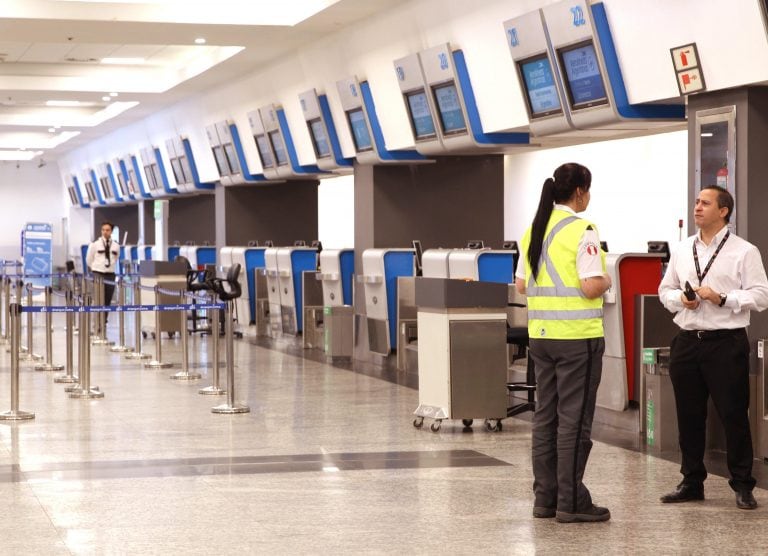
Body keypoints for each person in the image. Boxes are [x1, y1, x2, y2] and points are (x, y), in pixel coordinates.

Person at [658, 185, 768, 510]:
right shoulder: (681, 250)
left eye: (705, 203)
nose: (697, 207)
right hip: (687, 342)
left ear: (723, 211)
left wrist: (723, 299)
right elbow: (665, 290)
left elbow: (761, 295)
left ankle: (743, 484)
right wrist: (682, 299)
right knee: (689, 416)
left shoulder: (744, 251)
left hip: (726, 343)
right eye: (696, 202)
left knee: (733, 414)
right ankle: (691, 481)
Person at [514, 163, 612, 523]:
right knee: (573, 421)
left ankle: (546, 498)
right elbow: (590, 286)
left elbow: (523, 285)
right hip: (577, 340)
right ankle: (571, 501)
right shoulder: (583, 230)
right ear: (581, 191)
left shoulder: (533, 229)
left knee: (546, 418)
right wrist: (606, 280)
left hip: (541, 338)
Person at [85, 221, 120, 325]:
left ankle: (103, 320)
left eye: (107, 230)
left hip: (110, 274)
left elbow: (116, 258)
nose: (105, 232)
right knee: (98, 299)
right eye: (103, 230)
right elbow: (89, 259)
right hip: (98, 273)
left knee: (107, 300)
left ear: (111, 232)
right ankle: (97, 321)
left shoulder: (116, 246)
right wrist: (94, 268)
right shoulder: (94, 245)